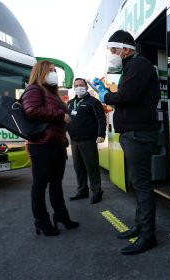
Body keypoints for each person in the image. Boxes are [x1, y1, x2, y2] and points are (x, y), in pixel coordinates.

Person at [97, 30, 160, 255]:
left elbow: (128, 96)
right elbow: (127, 96)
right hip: (133, 134)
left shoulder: (139, 65)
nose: (112, 54)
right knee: (138, 184)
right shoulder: (132, 67)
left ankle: (148, 235)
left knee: (142, 186)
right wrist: (110, 95)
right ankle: (141, 226)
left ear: (125, 48)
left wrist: (105, 95)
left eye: (113, 50)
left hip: (138, 134)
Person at [22, 60, 79, 236]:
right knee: (40, 185)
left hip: (57, 144)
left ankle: (61, 216)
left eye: (55, 70)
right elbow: (31, 110)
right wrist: (61, 115)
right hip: (41, 145)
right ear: (41, 72)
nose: (54, 73)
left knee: (56, 184)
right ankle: (42, 221)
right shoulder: (34, 89)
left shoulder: (52, 94)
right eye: (51, 70)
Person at [67, 78, 106, 204]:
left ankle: (97, 192)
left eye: (81, 85)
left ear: (86, 87)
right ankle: (82, 190)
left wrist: (101, 134)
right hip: (74, 141)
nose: (79, 87)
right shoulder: (70, 103)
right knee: (78, 168)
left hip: (88, 140)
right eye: (76, 85)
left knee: (92, 167)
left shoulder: (93, 102)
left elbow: (101, 119)